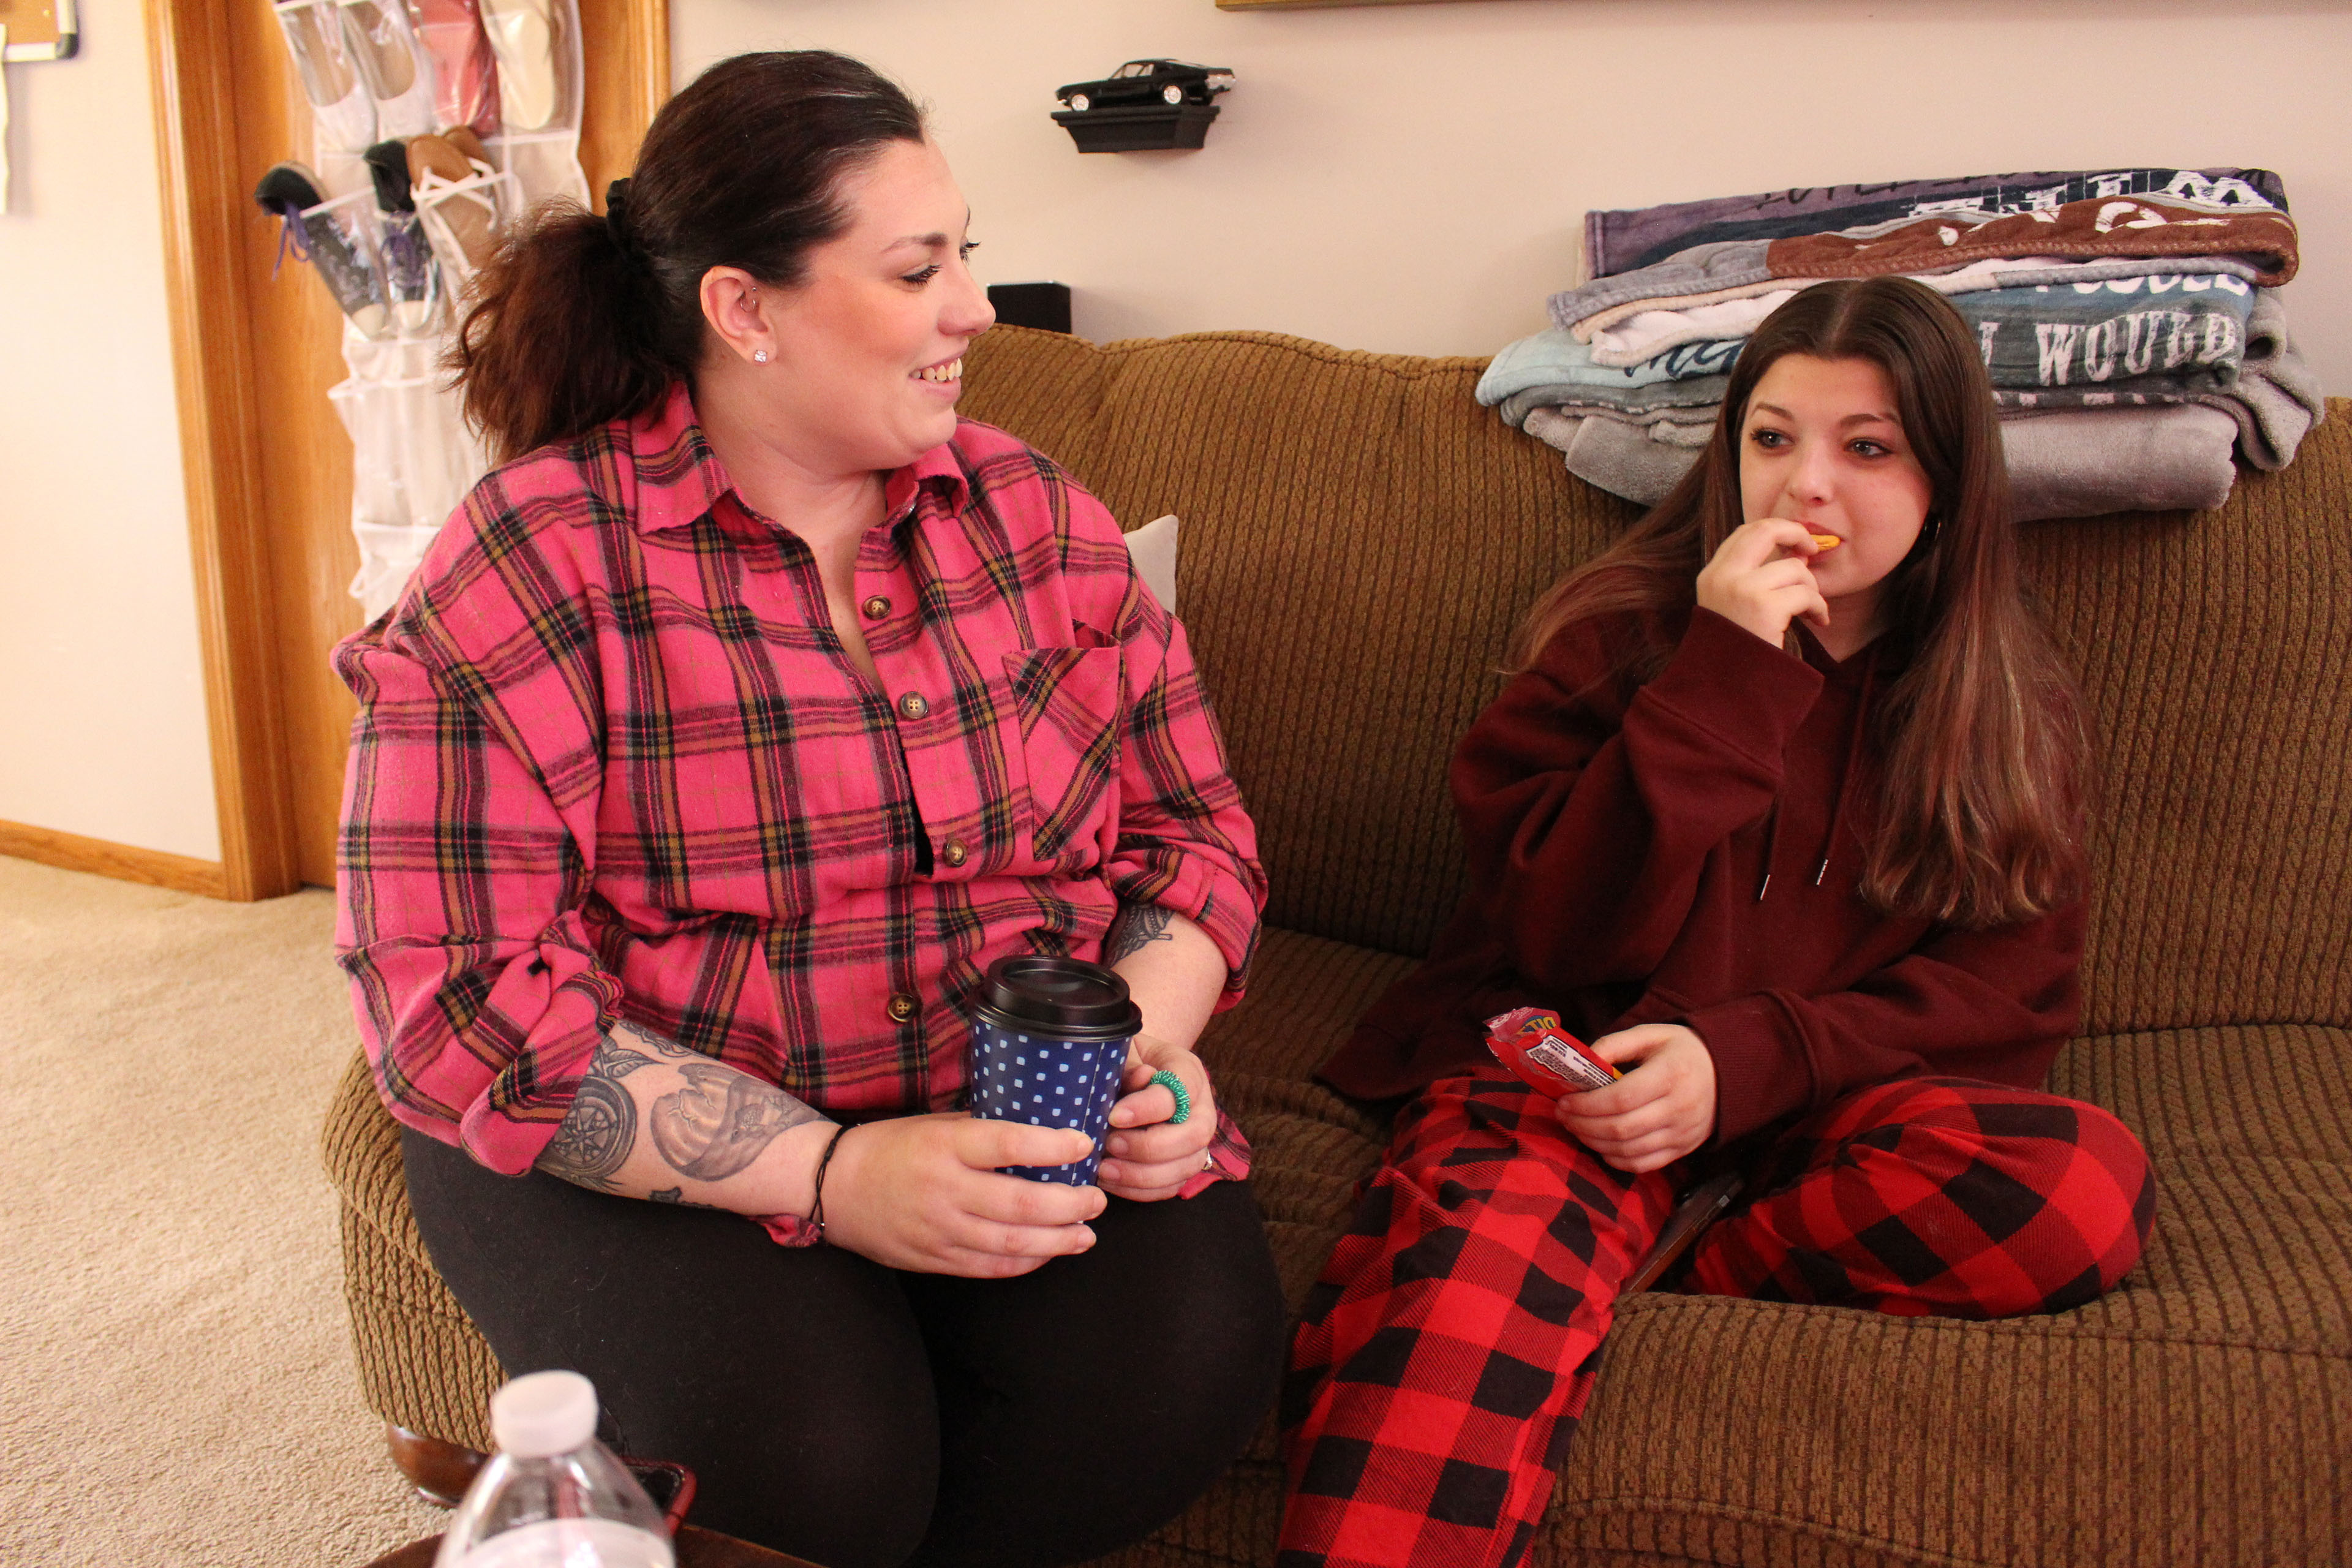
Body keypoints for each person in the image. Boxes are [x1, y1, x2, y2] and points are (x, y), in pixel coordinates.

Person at [333, 51, 1286, 1568]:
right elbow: (454, 1003)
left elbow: (1194, 837)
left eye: (963, 252)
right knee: (817, 1462)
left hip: (995, 1086)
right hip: (643, 1115)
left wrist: (1140, 1045)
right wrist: (840, 1178)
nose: (975, 304)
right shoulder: (533, 561)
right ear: (744, 307)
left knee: (1176, 1374)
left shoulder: (1040, 517)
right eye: (920, 268)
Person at [1278, 277, 2155, 1568]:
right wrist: (1727, 672)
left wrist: (1745, 1064)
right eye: (1772, 436)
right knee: (1460, 1310)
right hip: (1579, 1075)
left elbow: (2006, 1001)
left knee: (2080, 1183)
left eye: (1868, 449)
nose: (1808, 488)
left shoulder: (2007, 707)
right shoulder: (1611, 637)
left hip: (1820, 1105)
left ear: (1949, 482)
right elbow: (1559, 935)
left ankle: (1654, 1256)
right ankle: (1573, 1256)